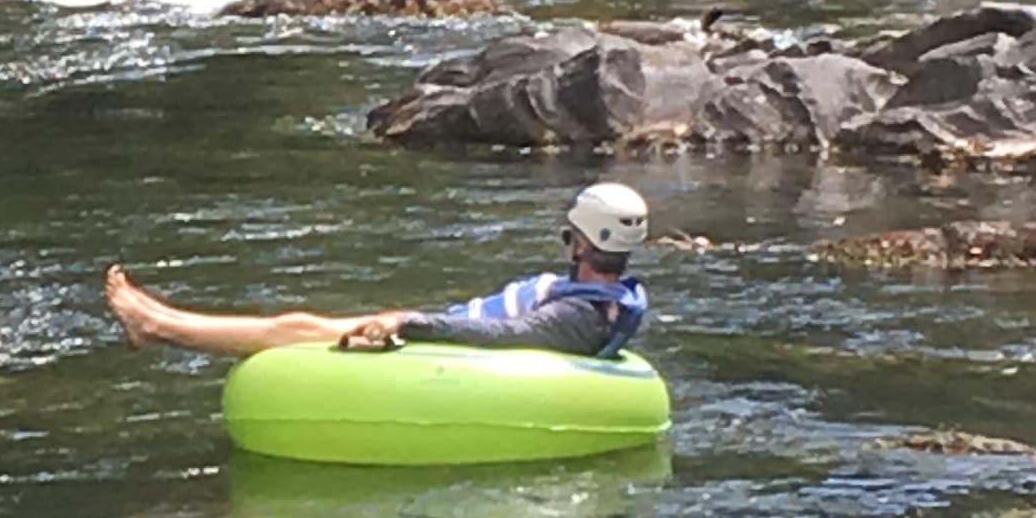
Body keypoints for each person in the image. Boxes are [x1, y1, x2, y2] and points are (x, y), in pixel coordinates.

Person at [103, 183, 653, 364]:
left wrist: (409, 322)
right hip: (438, 337)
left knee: (296, 326)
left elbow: (504, 335)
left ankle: (159, 326)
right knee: (303, 323)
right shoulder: (603, 297)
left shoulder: (578, 316)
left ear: (583, 240)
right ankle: (159, 316)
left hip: (438, 350)